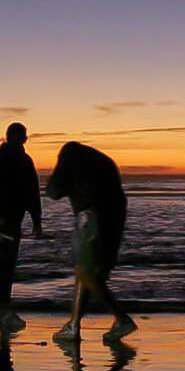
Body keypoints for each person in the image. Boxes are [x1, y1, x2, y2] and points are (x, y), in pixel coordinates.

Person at [46, 141, 136, 343]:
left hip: (89, 218)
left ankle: (121, 319)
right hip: (114, 218)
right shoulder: (104, 162)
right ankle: (74, 326)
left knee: (85, 273)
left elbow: (53, 191)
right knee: (92, 272)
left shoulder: (70, 156)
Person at [0, 122, 45, 333]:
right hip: (10, 222)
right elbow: (32, 193)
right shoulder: (24, 161)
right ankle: (3, 313)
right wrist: (37, 222)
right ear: (24, 139)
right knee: (5, 269)